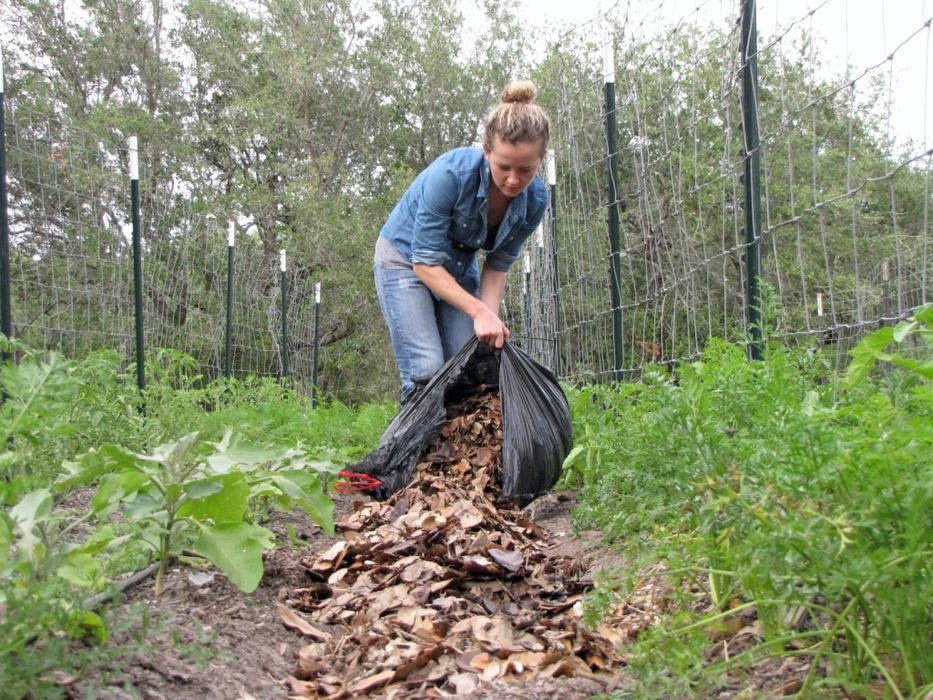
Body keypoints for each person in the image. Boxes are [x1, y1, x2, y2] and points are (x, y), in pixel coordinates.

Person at [374, 80, 550, 401]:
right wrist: (478, 311)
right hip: (404, 260)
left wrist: (489, 324)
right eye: (503, 167)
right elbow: (424, 264)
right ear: (486, 152)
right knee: (427, 369)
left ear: (541, 160)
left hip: (456, 266)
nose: (513, 179)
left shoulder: (535, 200)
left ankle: (457, 451)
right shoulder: (451, 176)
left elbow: (498, 265)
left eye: (525, 169)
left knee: (467, 364)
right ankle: (414, 449)